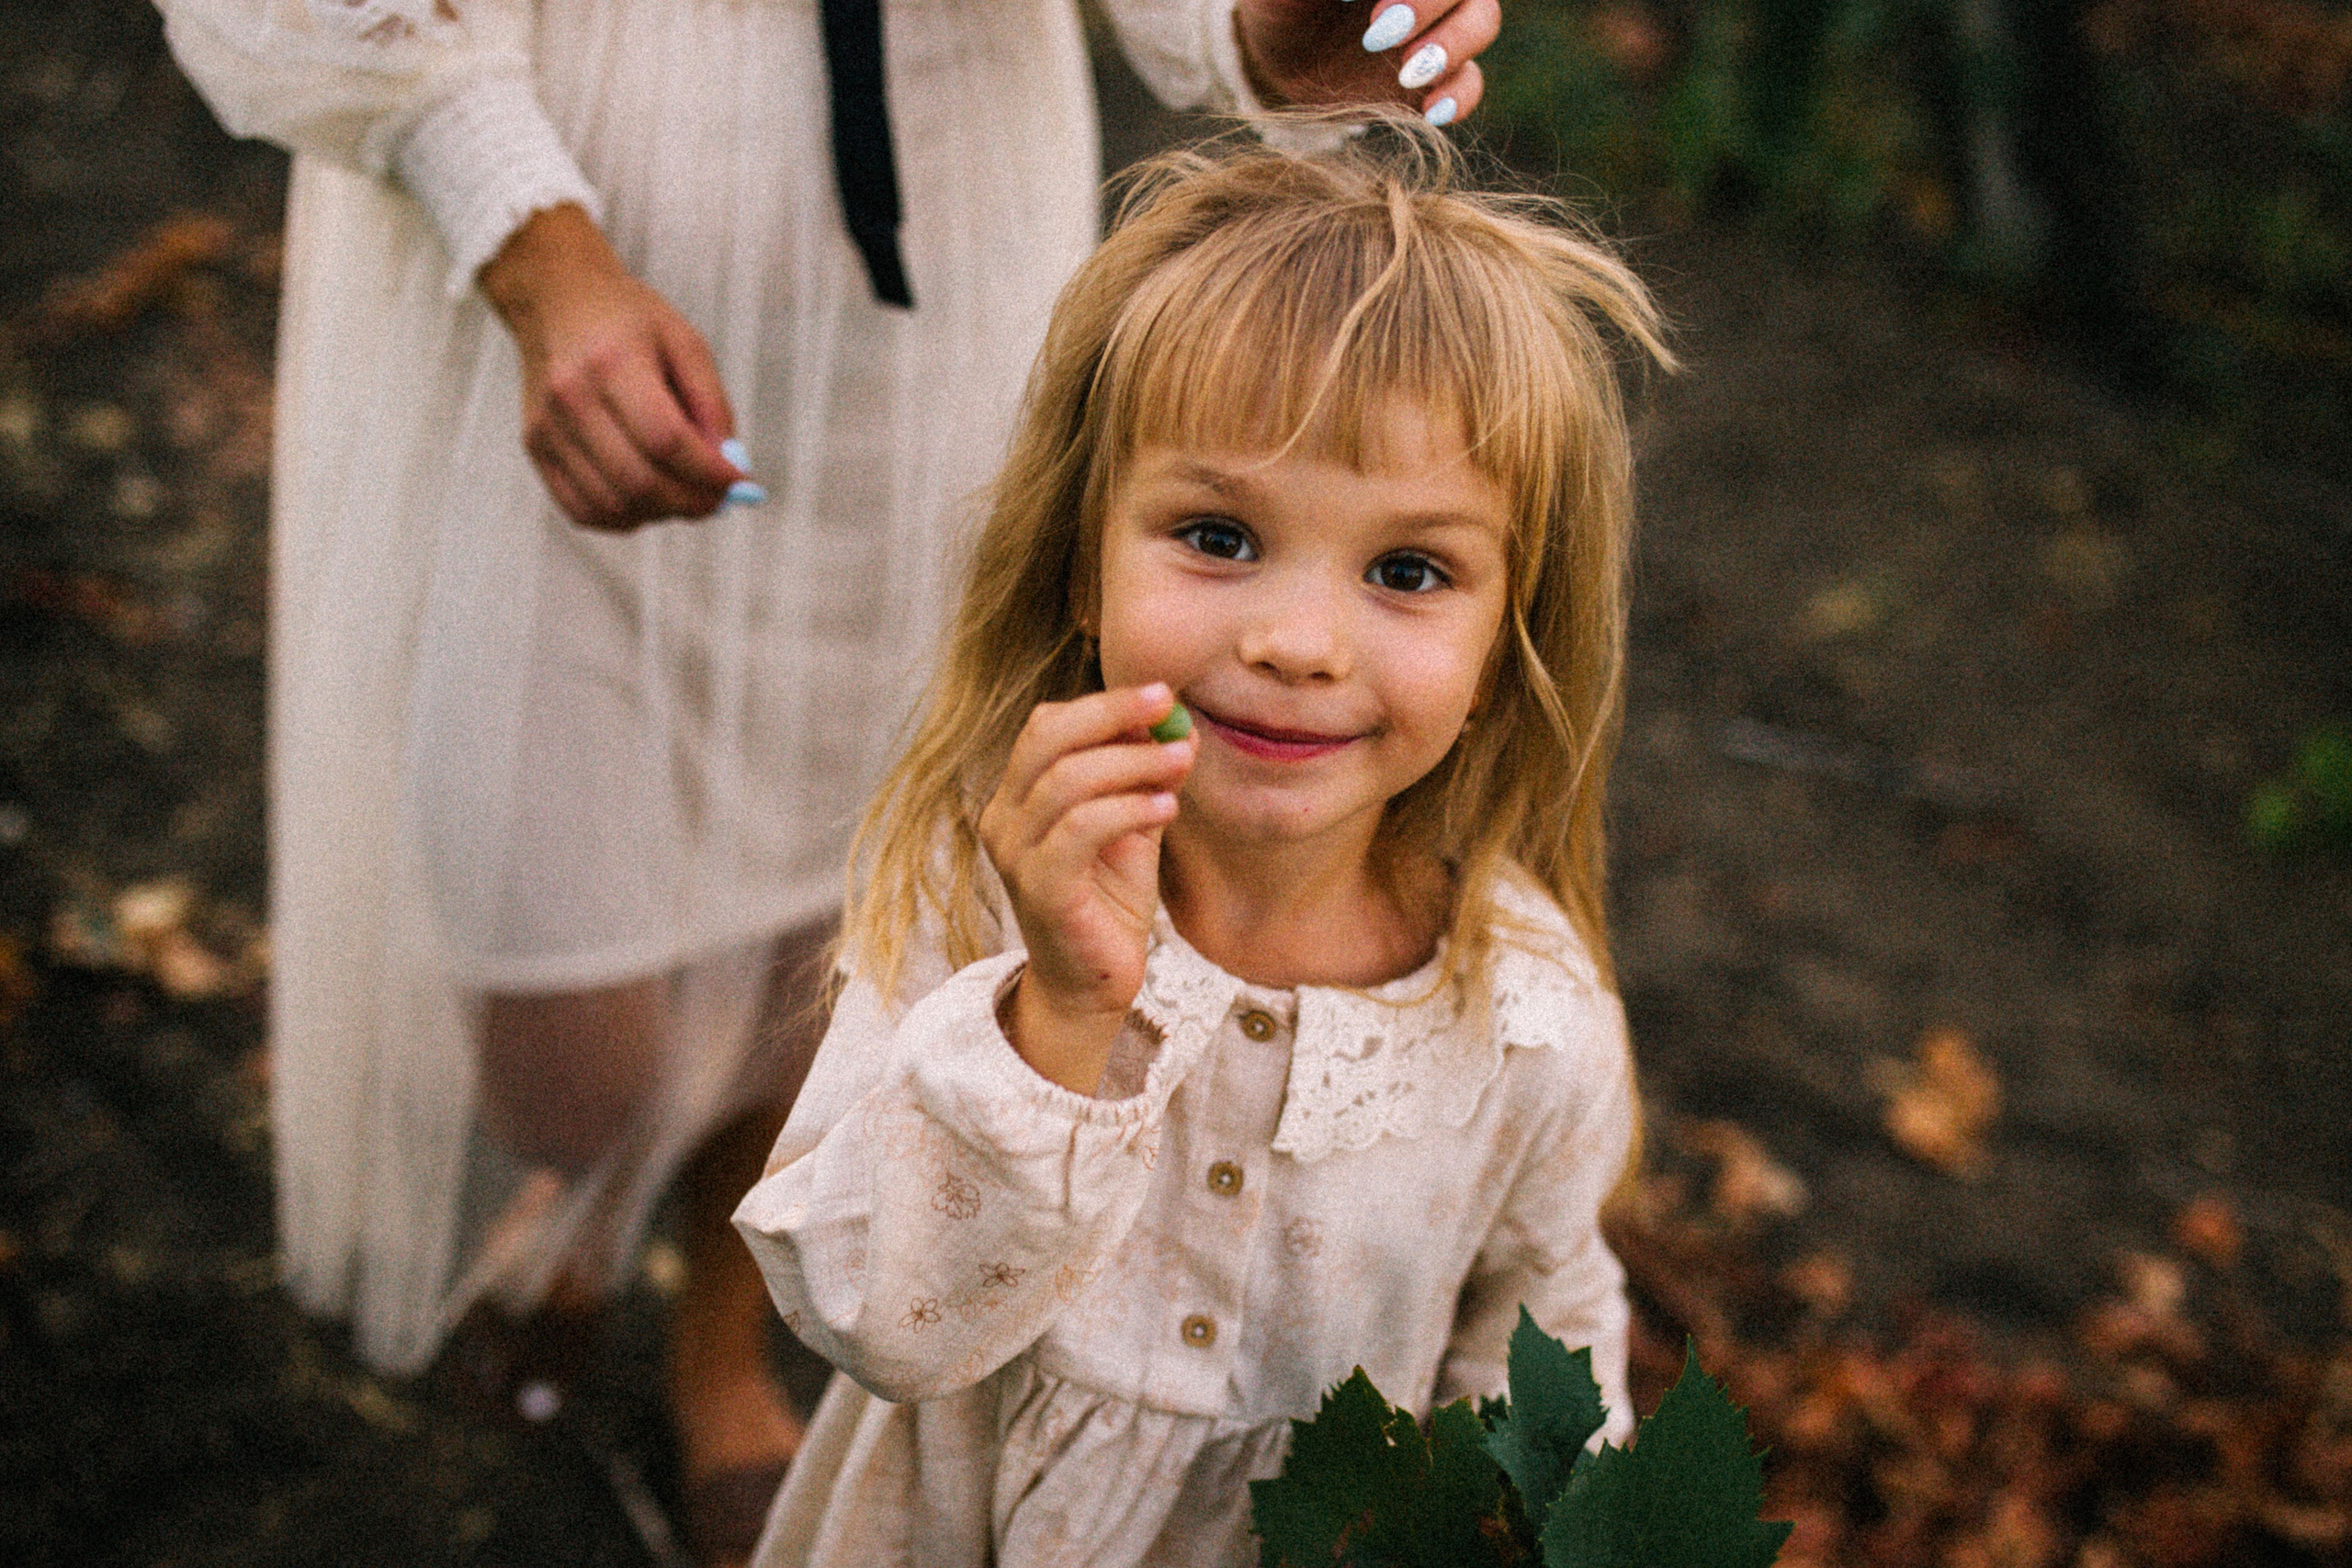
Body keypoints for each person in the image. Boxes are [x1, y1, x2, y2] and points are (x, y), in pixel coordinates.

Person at [153, 0, 1503, 1560]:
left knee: (858, 891)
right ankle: (589, 1198)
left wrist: (1266, 34)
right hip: (548, 287)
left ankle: (718, 1349)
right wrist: (516, 217)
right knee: (570, 1069)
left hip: (941, 311)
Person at [732, 125, 1674, 1565]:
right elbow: (871, 1322)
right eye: (1218, 536)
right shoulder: (983, 890)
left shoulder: (1526, 1016)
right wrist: (1056, 1015)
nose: (1295, 643)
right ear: (1083, 558)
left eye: (1408, 571)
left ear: (1508, 637)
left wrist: (1540, 1525)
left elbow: (1548, 1344)